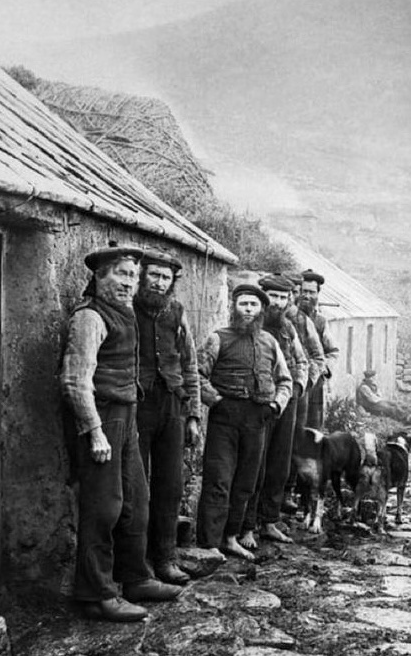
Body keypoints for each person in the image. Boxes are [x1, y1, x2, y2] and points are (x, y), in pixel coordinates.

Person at [60, 243, 184, 622]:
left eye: (133, 275)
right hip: (103, 416)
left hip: (127, 412)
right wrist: (94, 432)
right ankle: (96, 593)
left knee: (137, 499)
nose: (129, 283)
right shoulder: (90, 318)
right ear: (99, 277)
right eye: (120, 275)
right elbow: (73, 380)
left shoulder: (125, 312)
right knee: (103, 506)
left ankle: (134, 578)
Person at [195, 283, 293, 560]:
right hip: (225, 419)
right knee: (219, 479)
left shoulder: (270, 342)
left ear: (262, 310)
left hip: (257, 419)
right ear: (234, 307)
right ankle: (209, 544)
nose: (248, 310)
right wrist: (216, 401)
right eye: (243, 304)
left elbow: (285, 380)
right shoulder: (218, 338)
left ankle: (231, 537)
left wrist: (275, 405)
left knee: (245, 482)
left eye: (253, 305)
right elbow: (198, 375)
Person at [133, 249, 202, 586]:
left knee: (170, 484)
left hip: (171, 404)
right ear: (142, 275)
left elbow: (189, 364)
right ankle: (135, 565)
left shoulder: (176, 312)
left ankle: (165, 558)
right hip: (137, 404)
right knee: (136, 485)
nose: (159, 283)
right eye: (154, 275)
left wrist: (193, 415)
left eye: (166, 277)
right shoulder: (126, 310)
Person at [240, 273, 308, 546]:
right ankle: (246, 525)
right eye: (273, 297)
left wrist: (298, 388)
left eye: (283, 297)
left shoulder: (289, 329)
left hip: (287, 402)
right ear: (263, 297)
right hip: (260, 404)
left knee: (279, 462)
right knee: (254, 463)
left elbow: (301, 361)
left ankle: (268, 520)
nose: (277, 303)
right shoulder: (250, 326)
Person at [283, 273, 326, 438]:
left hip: (301, 385)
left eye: (294, 293)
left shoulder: (304, 320)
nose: (292, 298)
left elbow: (320, 355)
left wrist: (306, 381)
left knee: (302, 432)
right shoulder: (268, 318)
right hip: (277, 386)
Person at [298, 269, 340, 430]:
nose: (306, 296)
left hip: (314, 384)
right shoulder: (287, 316)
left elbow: (333, 352)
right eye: (303, 291)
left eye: (311, 292)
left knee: (312, 428)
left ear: (317, 295)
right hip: (294, 380)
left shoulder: (321, 321)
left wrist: (321, 368)